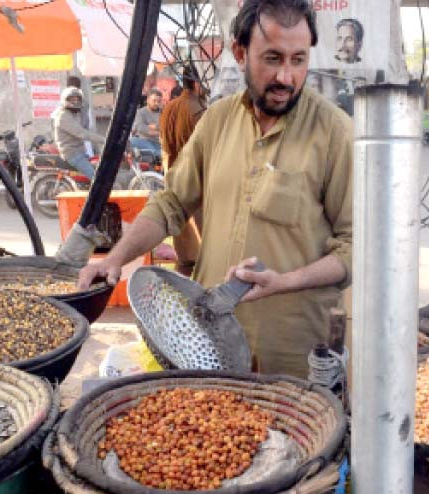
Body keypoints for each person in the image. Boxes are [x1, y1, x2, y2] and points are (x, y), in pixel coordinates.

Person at [79, 0, 353, 379]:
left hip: (293, 355)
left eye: (298, 60)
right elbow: (171, 202)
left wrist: (284, 282)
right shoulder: (218, 120)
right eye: (272, 58)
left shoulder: (335, 133)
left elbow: (354, 248)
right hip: (206, 344)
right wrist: (114, 258)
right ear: (240, 53)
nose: (286, 77)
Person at [158, 69, 207, 277]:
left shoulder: (170, 107)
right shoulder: (198, 110)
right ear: (197, 84)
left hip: (173, 172)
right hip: (195, 177)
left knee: (182, 230)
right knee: (203, 230)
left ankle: (187, 263)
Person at [52, 86, 106, 181]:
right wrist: (105, 140)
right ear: (65, 100)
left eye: (77, 99)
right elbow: (82, 133)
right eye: (72, 99)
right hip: (72, 153)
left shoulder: (74, 114)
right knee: (96, 178)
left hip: (80, 151)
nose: (75, 102)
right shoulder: (63, 116)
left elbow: (85, 127)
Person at [132, 88, 163, 153]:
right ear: (148, 100)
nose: (157, 103)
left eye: (159, 101)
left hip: (159, 143)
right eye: (154, 101)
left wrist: (154, 127)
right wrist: (159, 132)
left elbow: (167, 128)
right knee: (132, 141)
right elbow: (141, 128)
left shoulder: (164, 113)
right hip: (144, 140)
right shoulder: (140, 112)